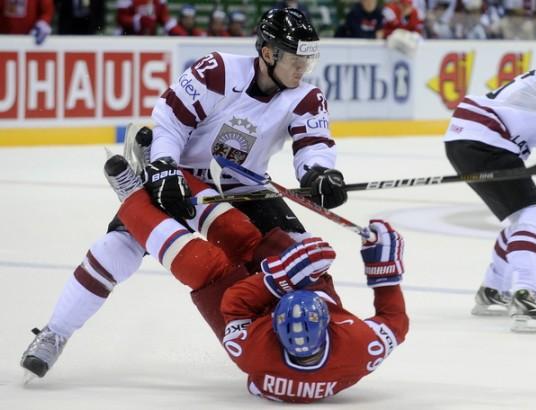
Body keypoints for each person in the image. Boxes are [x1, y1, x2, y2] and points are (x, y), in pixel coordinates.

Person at [20, 8, 348, 378]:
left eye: (308, 58)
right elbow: (171, 122)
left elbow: (314, 144)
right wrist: (162, 167)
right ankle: (54, 333)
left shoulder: (306, 97)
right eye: (295, 57)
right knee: (118, 248)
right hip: (182, 176)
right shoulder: (219, 70)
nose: (303, 67)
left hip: (246, 187)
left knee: (300, 255)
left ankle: (308, 344)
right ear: (269, 53)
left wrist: (320, 172)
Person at [100, 153, 408, 403]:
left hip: (248, 311)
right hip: (294, 292)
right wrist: (384, 272)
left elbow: (234, 306)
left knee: (203, 267)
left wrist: (286, 274)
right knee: (243, 237)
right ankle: (172, 174)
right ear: (327, 323)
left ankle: (133, 197)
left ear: (274, 328)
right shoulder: (358, 349)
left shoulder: (255, 354)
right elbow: (394, 323)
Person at [443, 68, 536, 332]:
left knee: (523, 218)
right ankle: (526, 296)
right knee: (534, 215)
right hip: (486, 136)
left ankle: (493, 291)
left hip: (472, 136)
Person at [116, 0, 185, 36]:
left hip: (150, 37)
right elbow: (121, 19)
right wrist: (138, 20)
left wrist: (174, 29)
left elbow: (164, 18)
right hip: (129, 36)